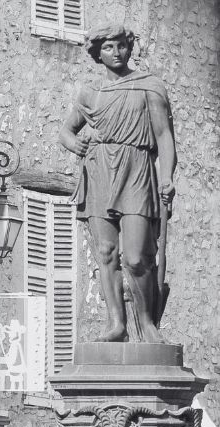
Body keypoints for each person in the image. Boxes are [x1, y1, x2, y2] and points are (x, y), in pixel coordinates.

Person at [59, 23, 176, 344]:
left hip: (137, 168)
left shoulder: (149, 87)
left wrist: (166, 176)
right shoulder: (90, 93)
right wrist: (75, 144)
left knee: (137, 257)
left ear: (130, 48)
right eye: (109, 48)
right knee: (106, 251)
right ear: (98, 53)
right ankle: (116, 324)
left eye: (122, 46)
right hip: (98, 171)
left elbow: (164, 137)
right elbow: (66, 131)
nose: (117, 53)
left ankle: (147, 323)